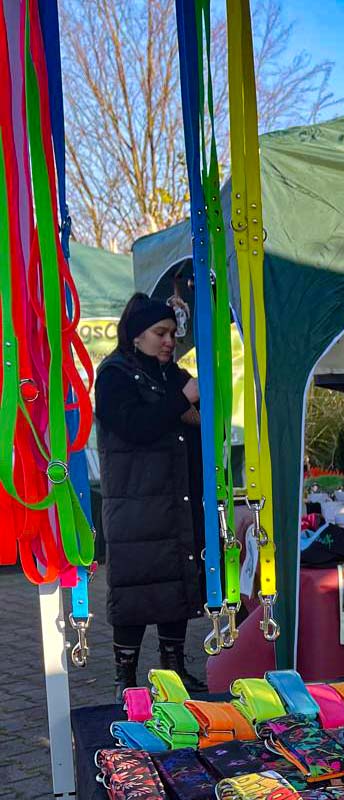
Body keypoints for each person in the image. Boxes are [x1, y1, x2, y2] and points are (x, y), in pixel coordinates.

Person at [95, 293, 206, 700]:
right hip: (135, 503)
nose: (168, 341)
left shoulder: (169, 375)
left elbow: (201, 414)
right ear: (136, 335)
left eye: (172, 334)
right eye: (160, 333)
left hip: (174, 500)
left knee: (174, 583)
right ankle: (125, 678)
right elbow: (135, 426)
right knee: (136, 587)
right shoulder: (114, 376)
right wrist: (184, 400)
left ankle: (174, 670)